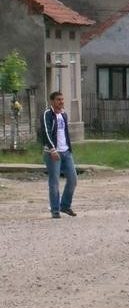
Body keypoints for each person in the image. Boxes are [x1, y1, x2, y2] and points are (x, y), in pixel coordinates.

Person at [41, 91, 78, 219]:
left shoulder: (64, 115)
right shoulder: (47, 114)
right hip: (52, 153)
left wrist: (68, 148)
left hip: (66, 152)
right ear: (52, 101)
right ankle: (55, 210)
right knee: (54, 181)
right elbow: (46, 133)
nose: (61, 102)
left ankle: (65, 205)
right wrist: (53, 150)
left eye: (62, 99)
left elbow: (64, 133)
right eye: (58, 100)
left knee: (73, 179)